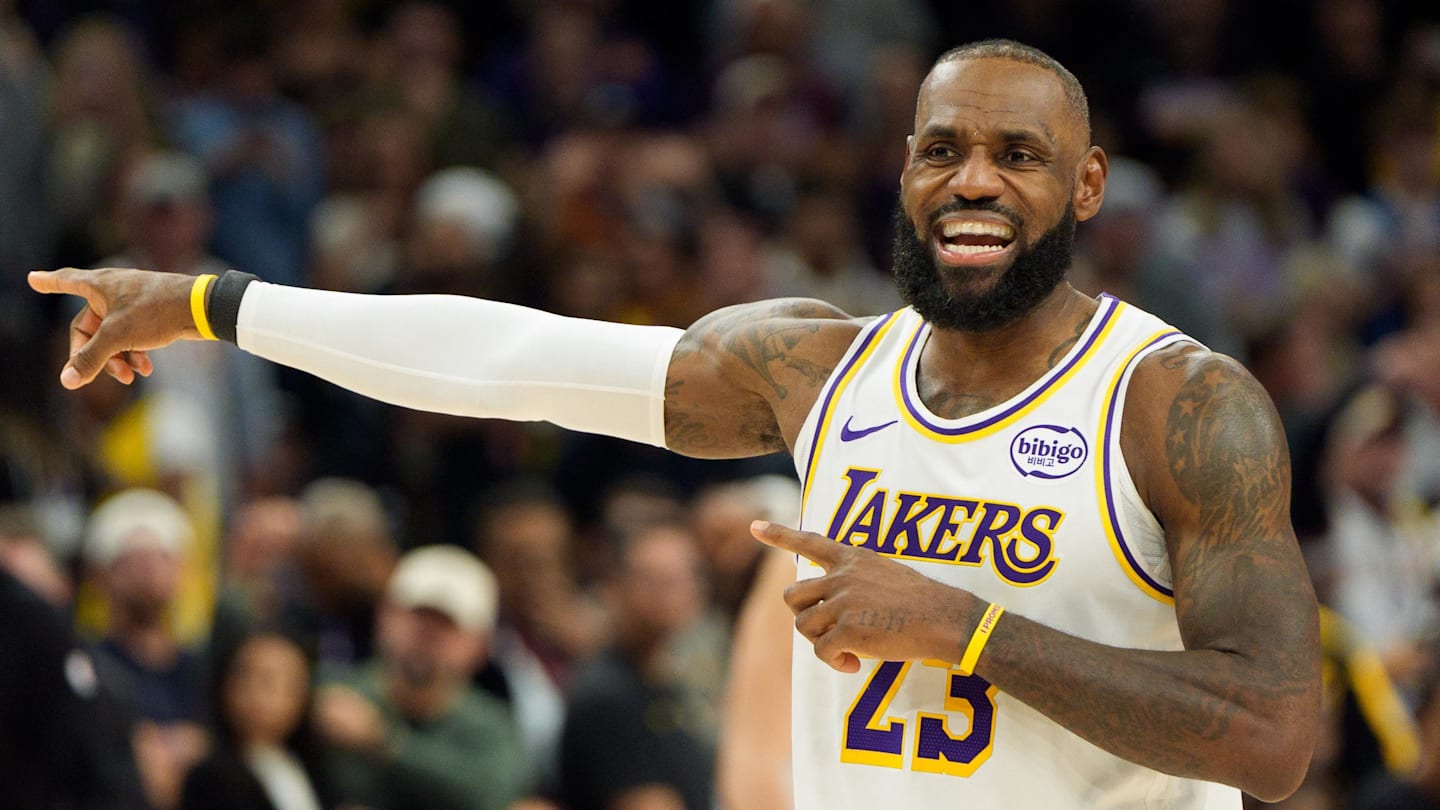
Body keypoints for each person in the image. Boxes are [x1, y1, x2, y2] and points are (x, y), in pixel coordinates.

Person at [30, 39, 1321, 808]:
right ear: (908, 168)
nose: (972, 179)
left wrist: (966, 630)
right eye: (943, 148)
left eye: (1018, 155)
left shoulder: (1179, 402)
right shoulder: (820, 370)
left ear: (1086, 182)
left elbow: (1271, 731)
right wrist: (212, 300)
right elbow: (508, 358)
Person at [313, 544, 532, 810]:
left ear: (480, 645)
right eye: (417, 616)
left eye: (446, 625)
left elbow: (490, 796)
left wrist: (382, 742)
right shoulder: (333, 694)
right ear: (383, 616)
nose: (426, 635)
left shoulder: (492, 727)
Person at [181, 630, 339, 810]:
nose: (253, 692)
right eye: (244, 676)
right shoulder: (209, 777)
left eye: (269, 681)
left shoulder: (314, 765)